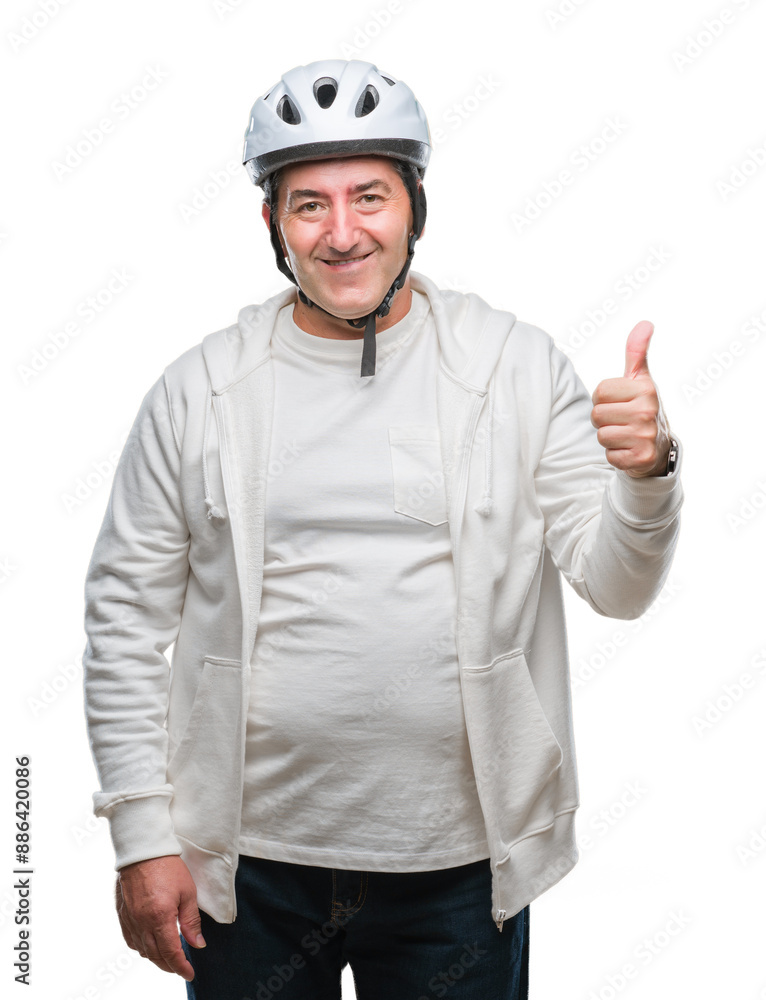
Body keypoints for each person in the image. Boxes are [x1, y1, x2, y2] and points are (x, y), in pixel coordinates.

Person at [81, 59, 683, 999]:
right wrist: (140, 837)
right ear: (272, 224)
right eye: (309, 204)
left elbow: (619, 585)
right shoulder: (200, 391)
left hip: (460, 866)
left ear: (416, 209)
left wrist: (647, 475)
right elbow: (123, 621)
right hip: (244, 869)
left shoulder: (513, 368)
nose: (343, 232)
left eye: (370, 196)